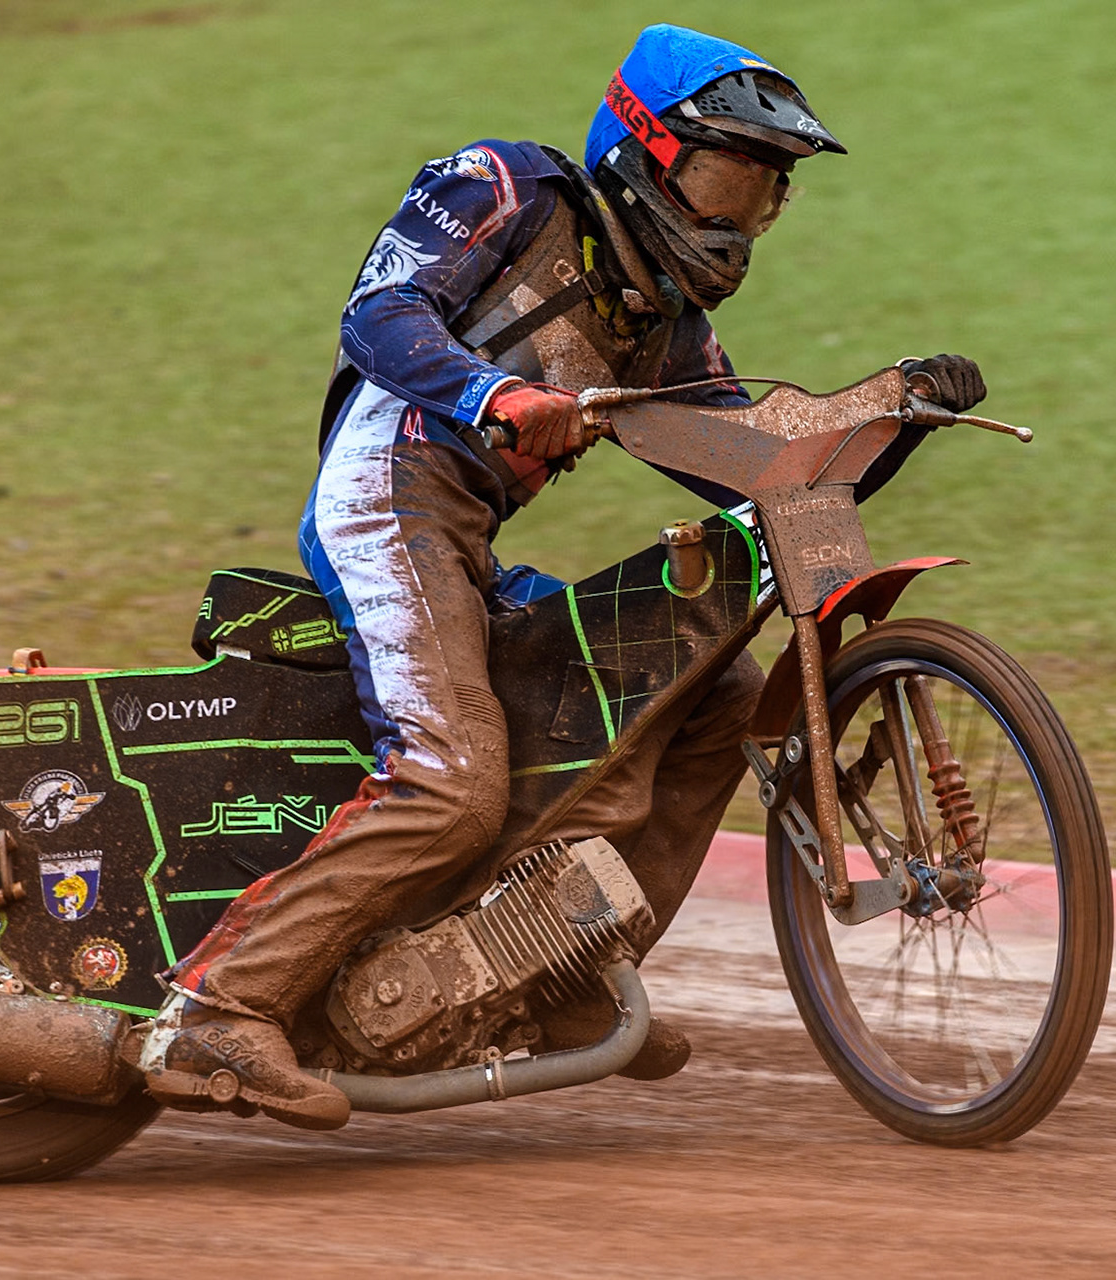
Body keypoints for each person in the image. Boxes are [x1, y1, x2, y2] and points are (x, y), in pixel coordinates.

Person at [142, 23, 988, 1130]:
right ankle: (217, 1002)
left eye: (765, 196)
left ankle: (555, 976)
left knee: (718, 696)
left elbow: (765, 471)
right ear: (645, 146)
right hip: (386, 497)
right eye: (727, 178)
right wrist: (494, 398)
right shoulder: (505, 187)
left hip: (469, 543)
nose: (740, 219)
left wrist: (890, 411)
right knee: (451, 778)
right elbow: (377, 313)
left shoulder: (667, 326)